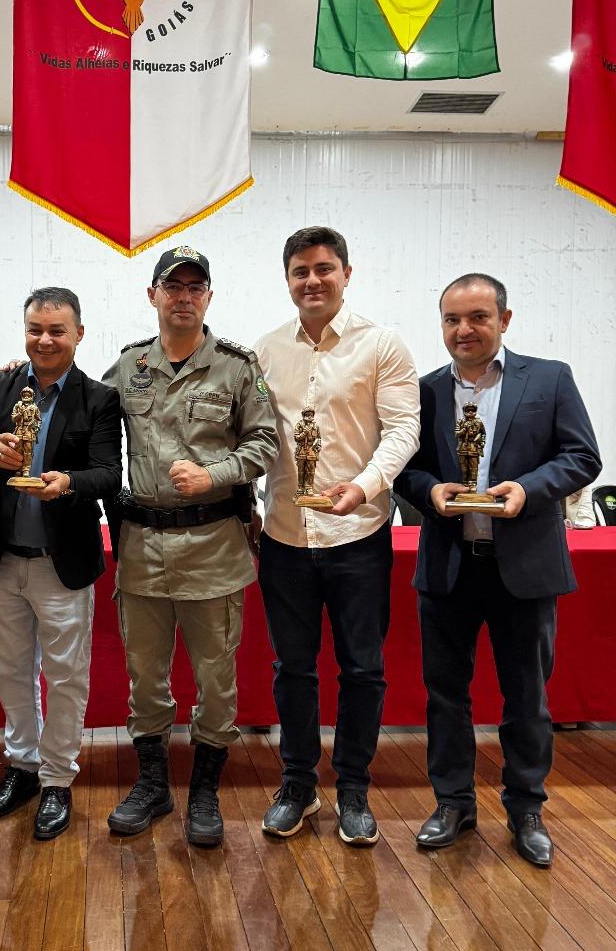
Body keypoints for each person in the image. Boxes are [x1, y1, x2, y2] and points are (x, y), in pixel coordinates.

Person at [395, 273, 600, 867]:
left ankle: (526, 809)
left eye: (479, 317)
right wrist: (430, 491)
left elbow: (583, 455)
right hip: (449, 566)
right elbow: (404, 468)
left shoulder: (550, 378)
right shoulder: (424, 390)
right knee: (445, 697)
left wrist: (529, 490)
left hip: (525, 566)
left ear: (504, 320)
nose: (465, 330)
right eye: (453, 320)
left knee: (527, 697)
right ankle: (453, 803)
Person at [104, 246, 278, 847]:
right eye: (171, 286)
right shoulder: (127, 368)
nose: (183, 296)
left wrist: (217, 473)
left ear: (208, 297)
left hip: (213, 549)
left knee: (216, 680)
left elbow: (266, 445)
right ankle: (153, 785)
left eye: (194, 287)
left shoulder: (235, 367)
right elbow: (94, 436)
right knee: (145, 678)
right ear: (152, 295)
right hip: (142, 549)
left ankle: (204, 793)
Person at [255, 226, 420, 846]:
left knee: (363, 670)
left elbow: (404, 429)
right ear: (288, 280)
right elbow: (252, 437)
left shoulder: (383, 344)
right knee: (292, 669)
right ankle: (298, 784)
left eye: (324, 268)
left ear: (346, 274)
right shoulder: (265, 351)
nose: (313, 280)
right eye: (300, 271)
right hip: (285, 537)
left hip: (359, 534)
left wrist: (368, 485)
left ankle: (353, 789)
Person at [0, 288, 122, 839]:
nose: (44, 340)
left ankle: (56, 780)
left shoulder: (99, 398)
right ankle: (21, 766)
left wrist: (69, 483)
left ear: (78, 334)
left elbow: (107, 474)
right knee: (11, 671)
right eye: (34, 329)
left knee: (66, 676)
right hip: (5, 559)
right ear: (24, 330)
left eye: (56, 330)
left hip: (61, 563)